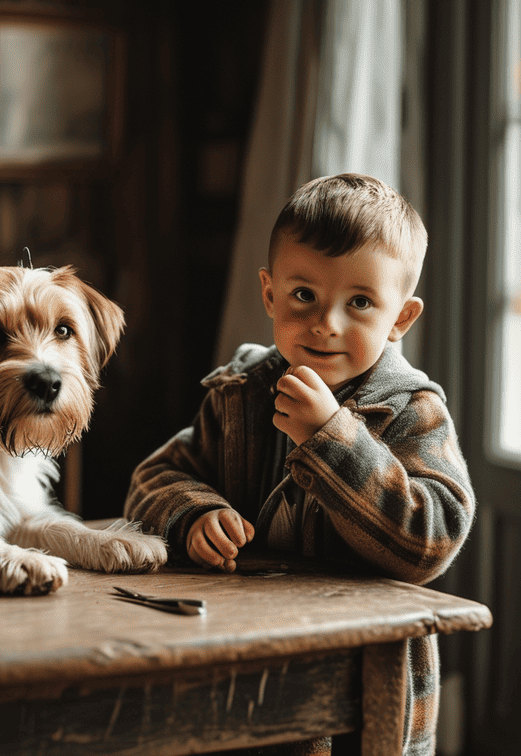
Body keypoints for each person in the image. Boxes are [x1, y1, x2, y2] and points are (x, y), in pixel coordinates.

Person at [124, 173, 475, 756]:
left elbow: (431, 543)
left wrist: (330, 438)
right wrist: (196, 514)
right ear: (269, 294)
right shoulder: (239, 393)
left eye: (360, 302)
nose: (325, 323)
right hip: (245, 679)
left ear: (401, 319)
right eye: (303, 295)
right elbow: (152, 479)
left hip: (365, 696)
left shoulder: (413, 411)